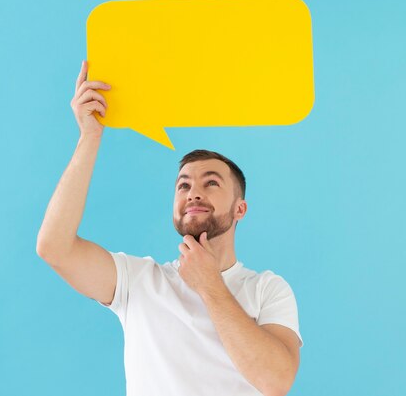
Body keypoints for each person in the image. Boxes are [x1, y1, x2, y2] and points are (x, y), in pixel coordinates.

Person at [36, 60, 303, 396]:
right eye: (183, 185)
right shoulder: (138, 282)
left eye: (211, 183)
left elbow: (275, 381)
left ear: (240, 209)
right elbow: (54, 247)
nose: (193, 192)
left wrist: (210, 286)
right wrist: (89, 137)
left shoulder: (268, 289)